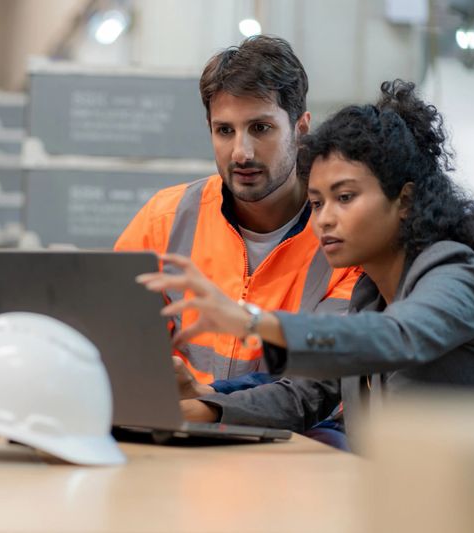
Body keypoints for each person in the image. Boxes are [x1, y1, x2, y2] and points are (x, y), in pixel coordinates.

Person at [136, 80, 474, 442]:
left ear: (406, 201)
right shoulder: (370, 297)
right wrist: (197, 408)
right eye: (317, 203)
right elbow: (303, 394)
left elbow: (398, 337)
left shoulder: (458, 274)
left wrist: (251, 321)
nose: (325, 219)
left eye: (345, 197)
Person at [115, 35, 361, 441]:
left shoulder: (344, 235)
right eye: (224, 130)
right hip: (169, 422)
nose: (241, 152)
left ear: (301, 128)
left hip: (296, 433)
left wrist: (207, 400)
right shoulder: (165, 218)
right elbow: (112, 337)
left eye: (260, 128)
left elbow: (312, 390)